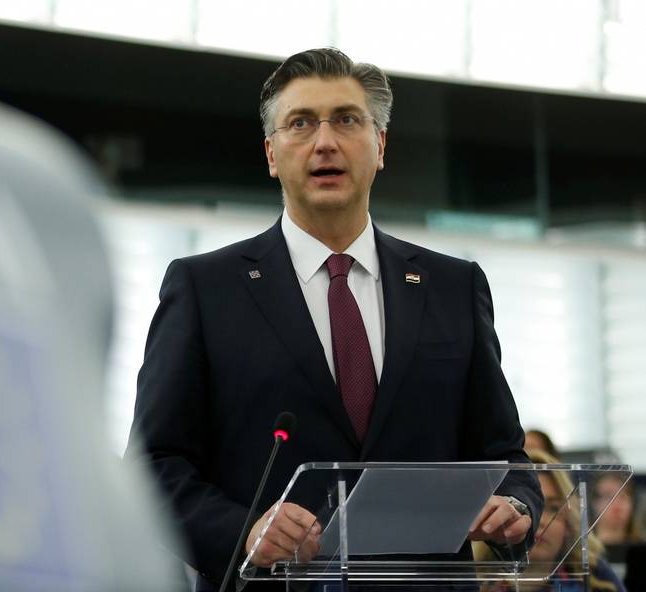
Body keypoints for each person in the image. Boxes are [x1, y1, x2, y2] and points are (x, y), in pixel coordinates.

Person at [126, 48, 542, 590]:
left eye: (347, 120)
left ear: (381, 145)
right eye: (300, 123)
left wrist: (515, 505)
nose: (325, 142)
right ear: (272, 154)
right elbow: (155, 466)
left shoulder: (453, 287)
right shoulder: (205, 288)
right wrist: (246, 532)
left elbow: (503, 455)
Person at [476, 449, 625, 592]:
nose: (540, 520)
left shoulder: (599, 582)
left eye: (553, 508)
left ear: (569, 523)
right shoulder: (471, 582)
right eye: (523, 508)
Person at [592, 473, 644, 546]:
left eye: (623, 496)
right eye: (607, 496)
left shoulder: (641, 550)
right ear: (593, 503)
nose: (617, 503)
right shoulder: (581, 550)